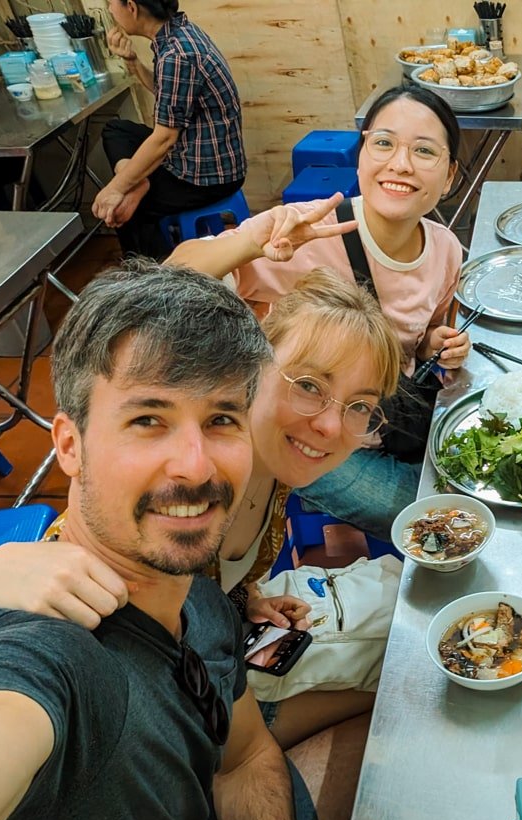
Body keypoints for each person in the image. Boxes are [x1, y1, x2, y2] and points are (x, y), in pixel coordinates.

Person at [0, 262, 332, 820]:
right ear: (70, 445)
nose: (195, 467)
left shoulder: (194, 585)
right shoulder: (46, 656)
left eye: (222, 418)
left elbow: (243, 756)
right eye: (148, 419)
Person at [0, 265, 402, 753]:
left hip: (220, 654)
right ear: (251, 369)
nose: (330, 425)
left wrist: (242, 603)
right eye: (308, 384)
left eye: (359, 405)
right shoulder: (160, 511)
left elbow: (203, 590)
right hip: (178, 700)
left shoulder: (272, 474)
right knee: (390, 680)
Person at [167, 83, 471, 537]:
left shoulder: (446, 249)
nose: (400, 164)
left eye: (424, 151)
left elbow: (421, 338)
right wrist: (248, 243)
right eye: (384, 143)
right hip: (307, 434)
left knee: (471, 471)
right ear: (362, 153)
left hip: (384, 419)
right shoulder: (304, 232)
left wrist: (434, 344)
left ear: (449, 176)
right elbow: (172, 279)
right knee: (435, 517)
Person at [94, 0, 246, 260]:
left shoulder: (177, 54)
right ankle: (138, 183)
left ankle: (155, 280)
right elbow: (171, 97)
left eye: (110, 3)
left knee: (125, 208)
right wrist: (131, 61)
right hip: (194, 156)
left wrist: (116, 188)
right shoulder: (179, 32)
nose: (109, 10)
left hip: (207, 177)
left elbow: (164, 139)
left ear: (131, 6)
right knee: (116, 130)